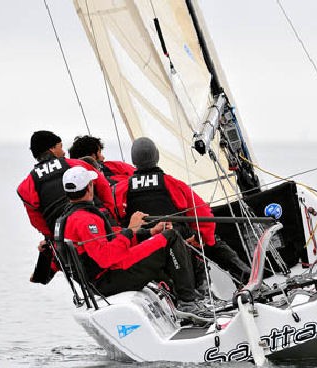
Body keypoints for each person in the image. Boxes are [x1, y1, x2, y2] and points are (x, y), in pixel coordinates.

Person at [54, 166, 207, 314]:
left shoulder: (66, 217)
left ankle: (179, 297)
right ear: (89, 187)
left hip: (99, 280)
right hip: (107, 280)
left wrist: (149, 232)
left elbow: (112, 239)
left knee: (162, 238)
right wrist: (131, 229)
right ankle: (188, 302)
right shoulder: (85, 219)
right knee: (171, 237)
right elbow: (105, 258)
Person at [114, 137, 251, 288]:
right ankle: (248, 280)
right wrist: (202, 239)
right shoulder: (173, 184)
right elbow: (203, 215)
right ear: (157, 156)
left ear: (134, 160)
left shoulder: (119, 189)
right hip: (176, 237)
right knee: (213, 243)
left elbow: (114, 221)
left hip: (140, 243)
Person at [17, 130, 116, 284]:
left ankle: (45, 272)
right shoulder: (75, 164)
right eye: (60, 147)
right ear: (52, 149)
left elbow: (36, 220)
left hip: (65, 237)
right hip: (96, 222)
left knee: (52, 250)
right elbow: (102, 185)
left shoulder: (26, 185)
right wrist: (110, 213)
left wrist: (53, 236)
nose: (63, 152)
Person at [68, 135, 135, 185]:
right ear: (92, 156)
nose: (103, 157)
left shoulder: (70, 182)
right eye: (99, 152)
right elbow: (141, 173)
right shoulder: (113, 166)